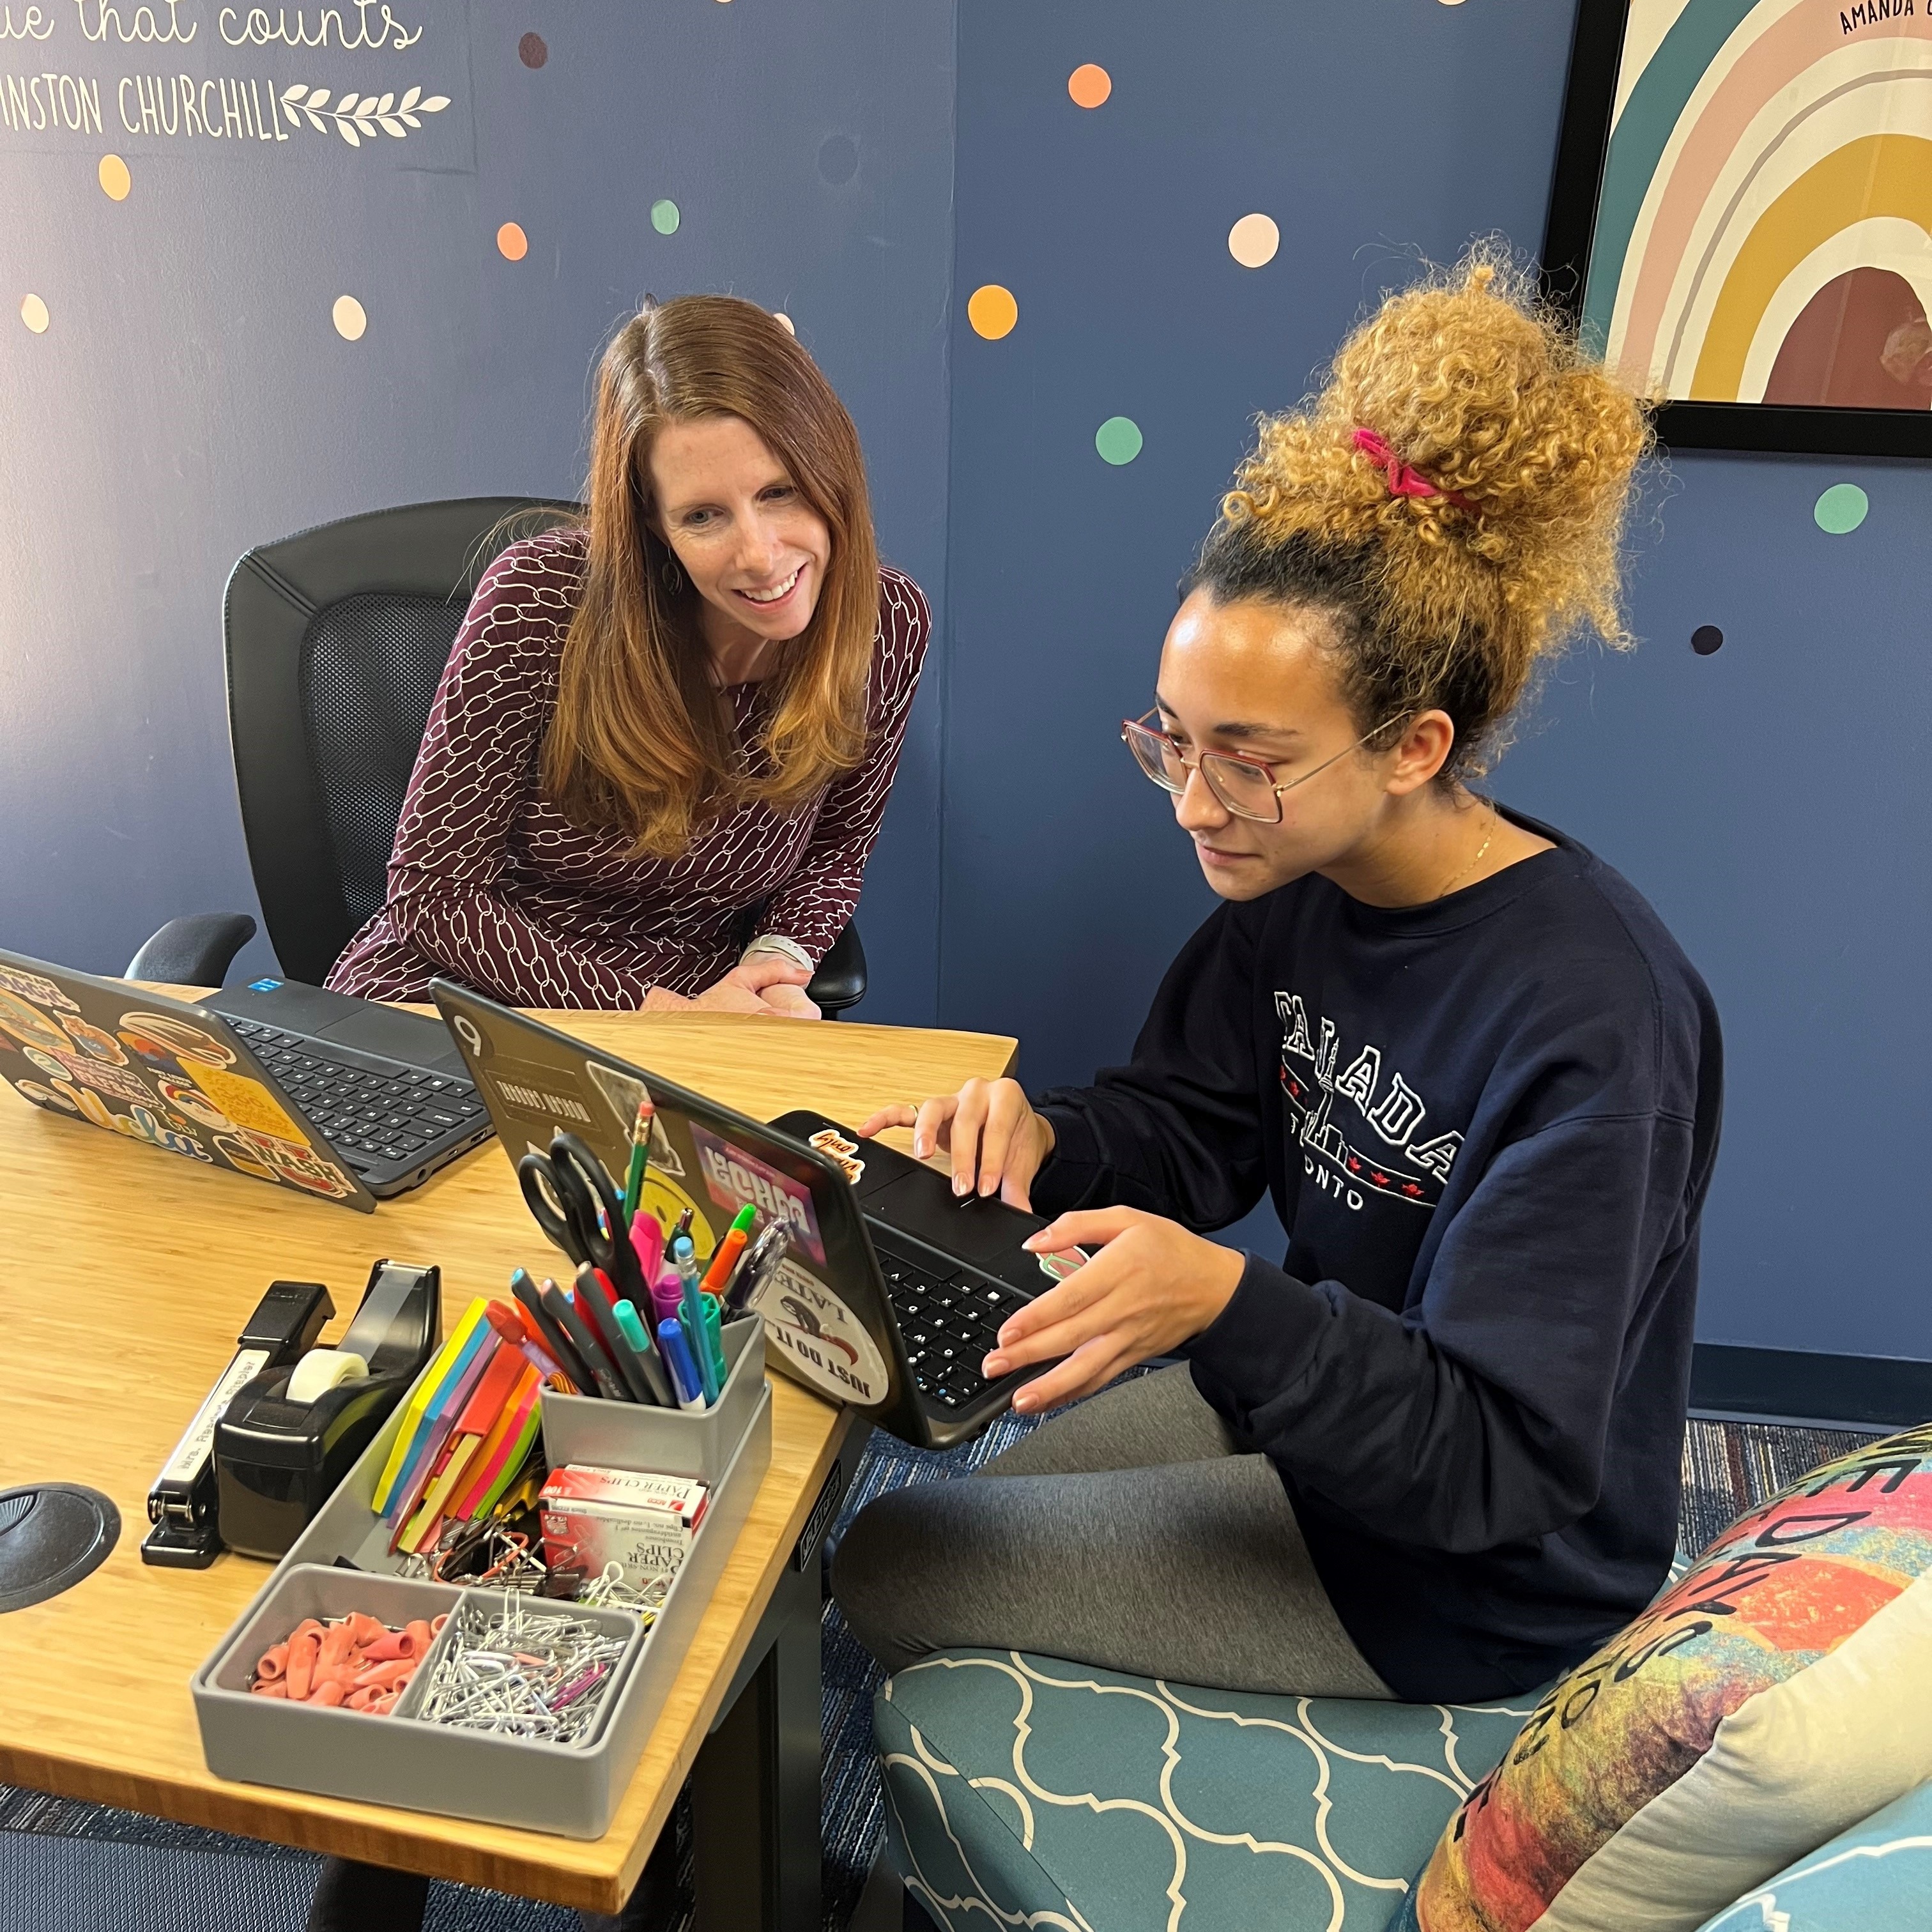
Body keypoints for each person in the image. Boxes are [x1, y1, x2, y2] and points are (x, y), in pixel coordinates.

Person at [834, 257, 1722, 1707]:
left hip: (1472, 1570)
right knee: (941, 1457)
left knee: (895, 1567)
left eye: (1248, 760)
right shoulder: (1295, 895)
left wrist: (1231, 1310)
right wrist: (1049, 1138)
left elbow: (1500, 1462)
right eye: (1171, 740)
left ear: (1416, 749)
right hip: (1307, 1410)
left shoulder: (1598, 1028)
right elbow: (1192, 1126)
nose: (1193, 802)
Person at [326, 293, 928, 1020]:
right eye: (703, 515)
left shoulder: (885, 625)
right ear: (651, 521)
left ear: (832, 466)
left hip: (700, 1003)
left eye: (781, 492)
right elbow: (432, 893)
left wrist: (776, 969)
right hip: (462, 991)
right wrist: (657, 1018)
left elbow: (834, 852)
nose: (760, 555)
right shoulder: (538, 602)